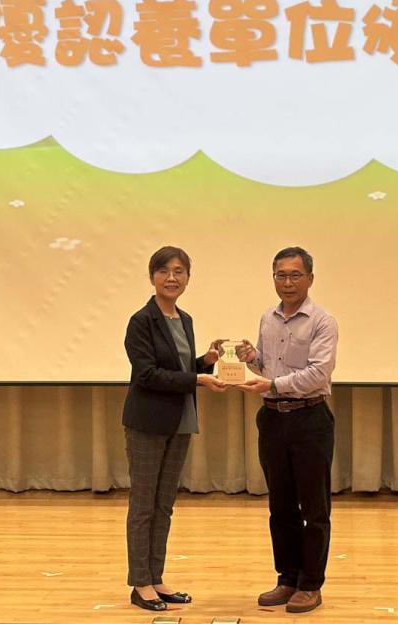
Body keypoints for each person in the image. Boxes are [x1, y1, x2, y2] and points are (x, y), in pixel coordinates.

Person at [122, 246, 227, 612]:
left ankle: (156, 578)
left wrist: (206, 362)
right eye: (164, 271)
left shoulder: (185, 320)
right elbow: (148, 375)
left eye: (179, 271)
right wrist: (197, 379)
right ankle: (140, 583)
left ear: (188, 278)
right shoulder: (141, 321)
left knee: (164, 504)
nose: (172, 278)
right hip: (147, 423)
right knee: (144, 505)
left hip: (180, 420)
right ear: (152, 277)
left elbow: (181, 368)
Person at [237, 246, 338, 614]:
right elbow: (268, 369)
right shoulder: (268, 318)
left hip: (309, 418)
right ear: (273, 278)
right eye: (281, 275)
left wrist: (273, 384)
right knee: (280, 506)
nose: (288, 282)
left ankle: (311, 584)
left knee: (314, 507)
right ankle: (287, 578)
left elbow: (318, 374)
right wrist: (252, 360)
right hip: (272, 419)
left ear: (310, 278)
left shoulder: (322, 321)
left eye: (295, 275)